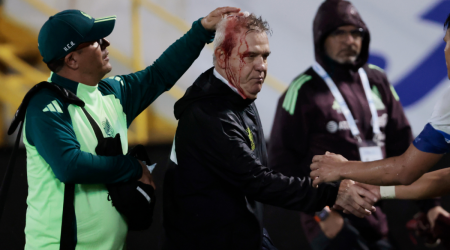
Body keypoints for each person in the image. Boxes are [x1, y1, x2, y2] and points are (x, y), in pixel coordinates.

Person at [25, 7, 240, 249]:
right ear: (72, 59)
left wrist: (200, 31)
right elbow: (69, 165)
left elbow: (158, 75)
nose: (106, 42)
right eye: (96, 40)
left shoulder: (111, 93)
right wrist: (132, 167)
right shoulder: (44, 105)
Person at [163, 12, 379, 250]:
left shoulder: (239, 96)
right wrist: (332, 192)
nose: (262, 67)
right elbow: (259, 181)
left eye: (265, 56)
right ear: (222, 57)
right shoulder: (210, 116)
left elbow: (252, 184)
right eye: (250, 56)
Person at [268, 0, 444, 249]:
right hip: (330, 221)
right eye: (339, 33)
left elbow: (404, 148)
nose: (349, 40)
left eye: (355, 32)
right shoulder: (303, 91)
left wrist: (431, 206)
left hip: (376, 216)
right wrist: (320, 212)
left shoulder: (378, 81)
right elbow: (281, 166)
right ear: (321, 38)